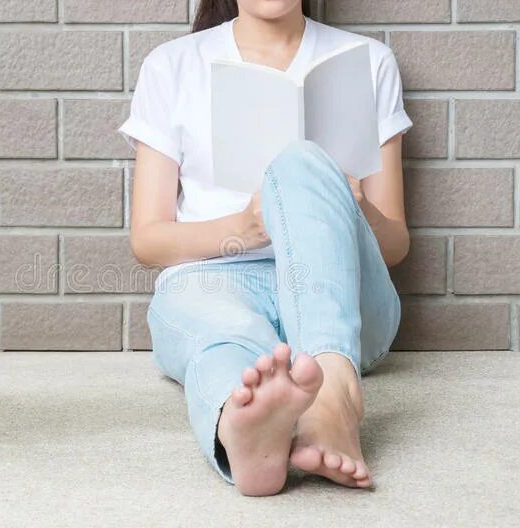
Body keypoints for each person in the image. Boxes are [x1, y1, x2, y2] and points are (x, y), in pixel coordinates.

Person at [117, 0, 412, 497]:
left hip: (339, 290)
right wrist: (246, 226)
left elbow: (395, 245)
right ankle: (241, 429)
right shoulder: (171, 66)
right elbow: (148, 240)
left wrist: (352, 206)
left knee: (297, 160)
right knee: (226, 341)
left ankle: (333, 394)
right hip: (216, 282)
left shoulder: (367, 62)